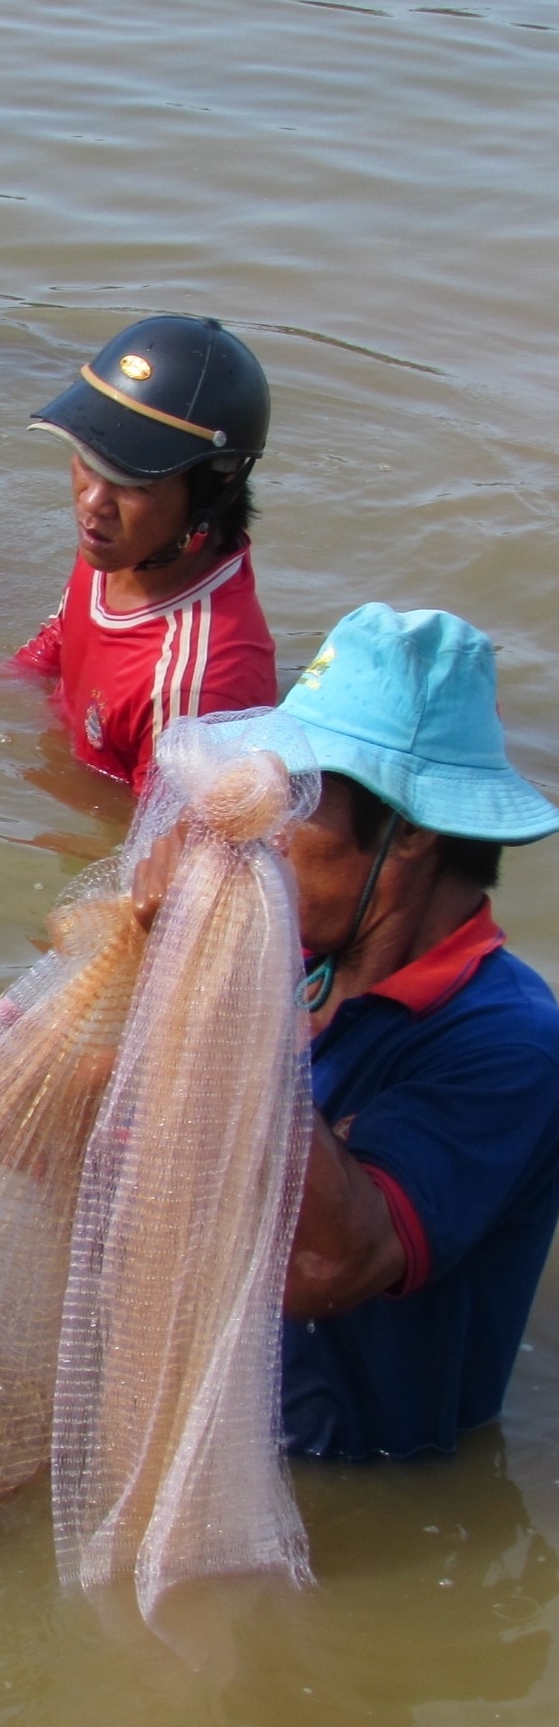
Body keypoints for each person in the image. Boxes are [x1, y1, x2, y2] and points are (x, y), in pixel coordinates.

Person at [137, 605, 559, 1459]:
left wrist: (218, 992)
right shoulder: (294, 963)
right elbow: (115, 1157)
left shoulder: (512, 1047)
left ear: (408, 835)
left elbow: (324, 1267)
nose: (263, 836)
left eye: (296, 802)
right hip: (197, 1432)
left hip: (346, 1509)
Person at [12, 314, 278, 793]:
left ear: (206, 495)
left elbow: (157, 851)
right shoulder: (125, 544)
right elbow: (65, 632)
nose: (93, 501)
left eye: (135, 480)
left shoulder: (191, 692)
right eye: (87, 459)